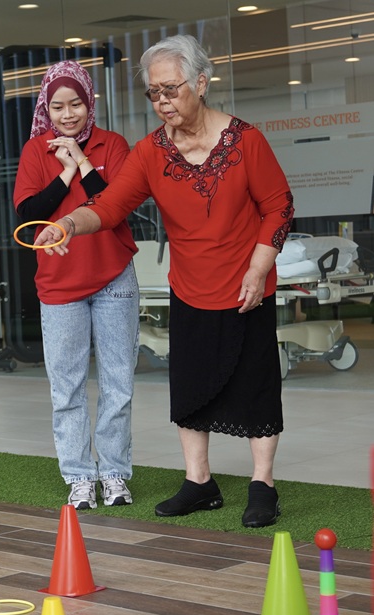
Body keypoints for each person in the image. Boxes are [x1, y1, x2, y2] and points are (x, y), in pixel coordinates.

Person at [35, 34, 293, 528]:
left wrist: (260, 268)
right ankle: (200, 483)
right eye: (154, 93)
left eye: (171, 90)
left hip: (247, 286)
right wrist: (67, 224)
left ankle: (263, 484)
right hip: (190, 286)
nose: (163, 102)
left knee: (257, 386)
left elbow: (278, 207)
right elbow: (109, 207)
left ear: (201, 82)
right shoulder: (151, 152)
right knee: (190, 387)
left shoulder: (246, 141)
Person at [13, 60, 139, 510]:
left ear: (90, 103)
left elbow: (114, 203)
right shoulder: (35, 152)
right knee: (65, 387)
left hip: (113, 278)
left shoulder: (114, 145)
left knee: (118, 382)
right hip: (59, 285)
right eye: (58, 106)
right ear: (47, 108)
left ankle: (115, 474)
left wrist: (83, 159)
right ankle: (80, 476)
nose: (68, 115)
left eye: (76, 105)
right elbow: (30, 214)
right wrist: (64, 171)